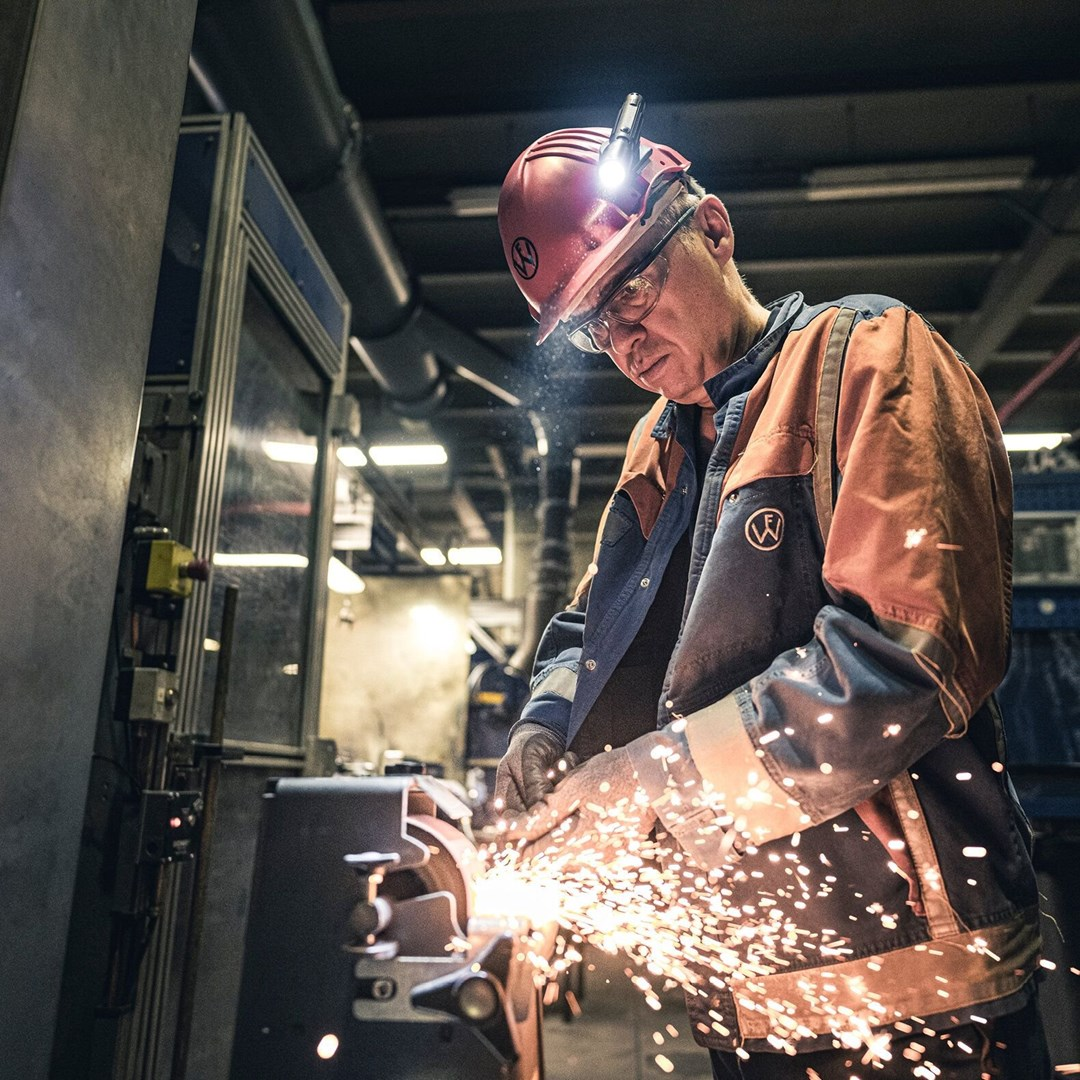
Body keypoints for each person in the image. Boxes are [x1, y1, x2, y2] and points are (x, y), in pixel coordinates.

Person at [492, 101, 1052, 1079]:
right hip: (751, 998)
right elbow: (597, 622)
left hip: (916, 993)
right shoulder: (659, 440)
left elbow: (907, 657)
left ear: (712, 229)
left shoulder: (866, 356)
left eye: (630, 285)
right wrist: (545, 729)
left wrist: (659, 777)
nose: (621, 340)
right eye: (589, 328)